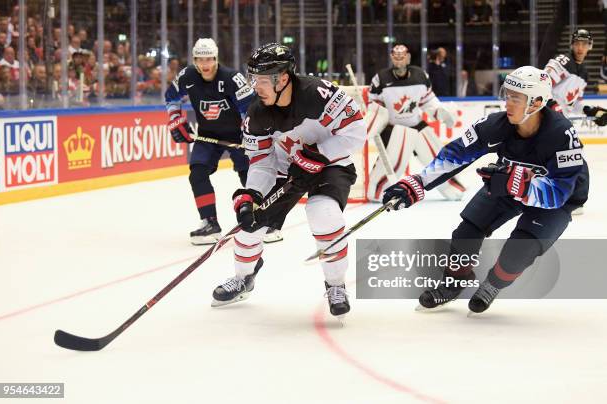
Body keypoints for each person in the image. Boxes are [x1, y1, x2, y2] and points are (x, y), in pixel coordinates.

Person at [382, 66, 589, 314]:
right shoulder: (496, 125)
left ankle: (493, 284)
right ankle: (454, 282)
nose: (507, 103)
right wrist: (417, 183)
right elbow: (455, 154)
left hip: (557, 200)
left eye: (516, 97)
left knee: (518, 252)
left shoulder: (561, 134)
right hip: (509, 181)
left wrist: (520, 184)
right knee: (467, 231)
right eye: (507, 94)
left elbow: (559, 193)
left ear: (535, 103)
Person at [210, 43, 367, 317]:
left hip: (330, 165)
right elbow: (261, 161)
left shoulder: (319, 93)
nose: (254, 86)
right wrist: (253, 195)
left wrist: (319, 154)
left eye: (260, 80)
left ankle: (335, 284)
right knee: (250, 223)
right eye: (253, 78)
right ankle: (244, 277)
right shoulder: (257, 113)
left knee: (323, 214)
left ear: (282, 78)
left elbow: (355, 131)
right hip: (288, 168)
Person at [165, 38, 254, 245]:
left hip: (237, 135)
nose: (205, 64)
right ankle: (210, 223)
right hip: (208, 135)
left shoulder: (233, 78)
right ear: (194, 60)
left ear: (216, 58)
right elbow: (171, 97)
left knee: (248, 174)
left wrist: (250, 134)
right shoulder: (187, 76)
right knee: (197, 173)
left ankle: (261, 219)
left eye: (209, 59)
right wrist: (175, 119)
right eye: (200, 59)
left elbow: (249, 108)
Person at [365, 43, 465, 202]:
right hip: (394, 128)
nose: (399, 60)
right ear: (391, 57)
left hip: (417, 125)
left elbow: (428, 101)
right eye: (396, 56)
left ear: (408, 57)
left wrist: (440, 111)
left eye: (402, 56)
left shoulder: (420, 75)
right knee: (393, 163)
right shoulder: (380, 78)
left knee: (437, 157)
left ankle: (452, 187)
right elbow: (375, 107)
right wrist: (372, 123)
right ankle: (377, 191)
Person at [544, 28, 599, 215]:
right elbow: (542, 83)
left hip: (558, 121)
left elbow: (573, 101)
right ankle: (573, 199)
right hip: (546, 117)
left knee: (569, 155)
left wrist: (588, 110)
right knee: (573, 154)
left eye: (585, 43)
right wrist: (552, 106)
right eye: (578, 43)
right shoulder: (563, 61)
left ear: (590, 46)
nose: (581, 47)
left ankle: (566, 196)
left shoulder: (583, 72)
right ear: (572, 44)